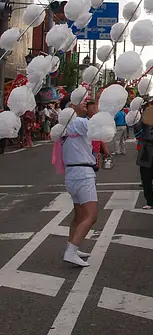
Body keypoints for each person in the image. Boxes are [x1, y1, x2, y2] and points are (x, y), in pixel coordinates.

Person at [54, 98, 98, 268]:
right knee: (91, 215)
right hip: (82, 174)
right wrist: (97, 113)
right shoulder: (78, 122)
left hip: (72, 174)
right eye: (83, 103)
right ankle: (71, 252)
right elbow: (99, 128)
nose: (86, 106)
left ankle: (71, 245)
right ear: (71, 107)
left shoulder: (63, 126)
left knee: (79, 215)